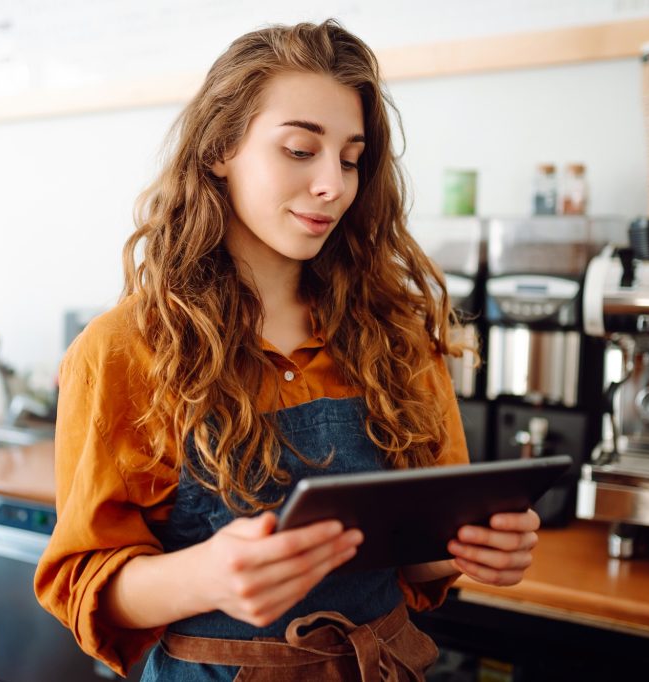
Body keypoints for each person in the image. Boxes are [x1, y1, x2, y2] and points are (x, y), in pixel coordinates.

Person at [35, 19, 540, 680]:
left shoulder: (398, 336)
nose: (333, 183)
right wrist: (206, 577)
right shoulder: (124, 350)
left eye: (351, 158)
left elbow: (408, 559)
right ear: (220, 148)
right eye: (301, 150)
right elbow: (83, 581)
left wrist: (465, 550)